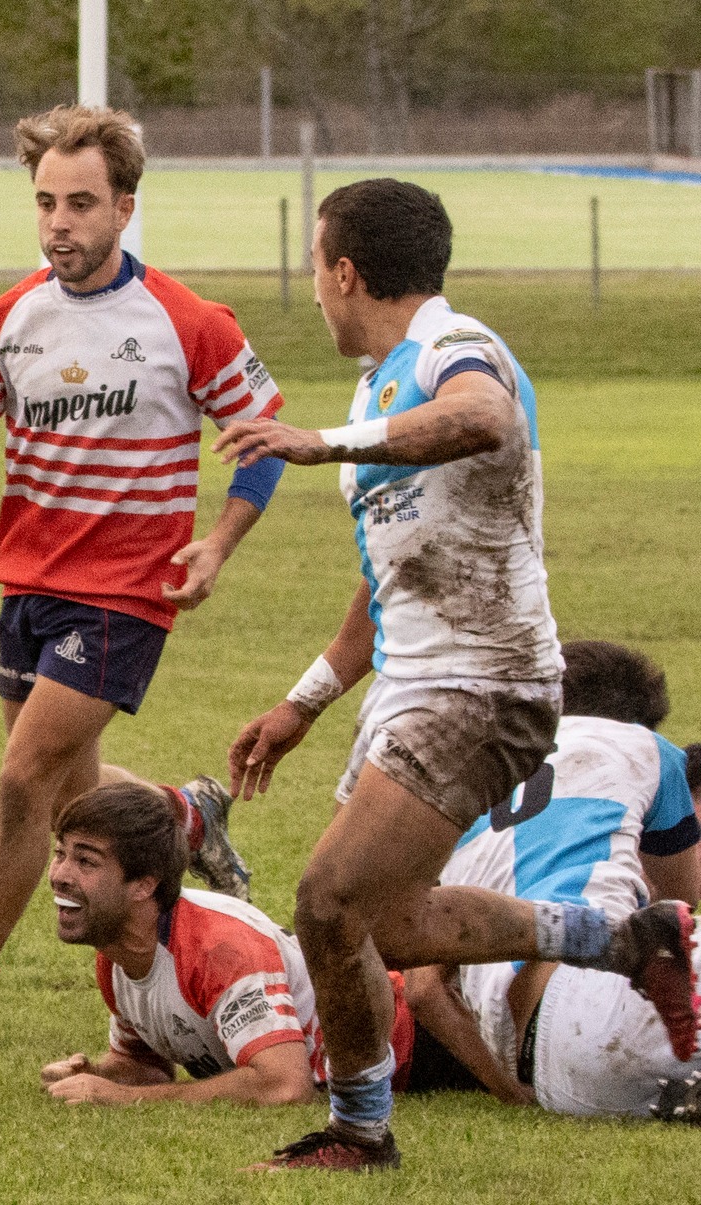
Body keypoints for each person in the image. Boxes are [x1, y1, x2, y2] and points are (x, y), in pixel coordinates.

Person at [214, 178, 697, 1171]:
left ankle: (358, 1130)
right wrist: (302, 701)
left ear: (343, 272)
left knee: (322, 901)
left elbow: (481, 417)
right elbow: (381, 579)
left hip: (483, 685)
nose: (313, 290)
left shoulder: (451, 349)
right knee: (382, 929)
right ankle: (621, 939)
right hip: (410, 689)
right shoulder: (377, 382)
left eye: (315, 267)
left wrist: (320, 442)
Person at [0, 103, 287, 1045]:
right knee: (72, 795)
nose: (61, 222)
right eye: (46, 203)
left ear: (125, 209)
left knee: (23, 784)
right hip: (29, 589)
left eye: (82, 204)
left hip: (124, 595)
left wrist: (217, 542)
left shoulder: (187, 321)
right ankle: (186, 813)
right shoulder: (9, 320)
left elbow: (259, 440)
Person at [401, 641, 700, 1118]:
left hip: (550, 1071)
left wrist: (509, 1091)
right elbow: (686, 898)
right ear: (636, 719)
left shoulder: (463, 790)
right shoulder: (645, 747)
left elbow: (422, 989)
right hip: (615, 991)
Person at [38, 781, 418, 1107]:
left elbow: (286, 1086)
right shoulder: (117, 953)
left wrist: (124, 1099)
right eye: (61, 854)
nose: (59, 875)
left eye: (85, 861)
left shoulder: (218, 948)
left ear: (143, 885)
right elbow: (144, 1065)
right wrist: (98, 1075)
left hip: (416, 1050)